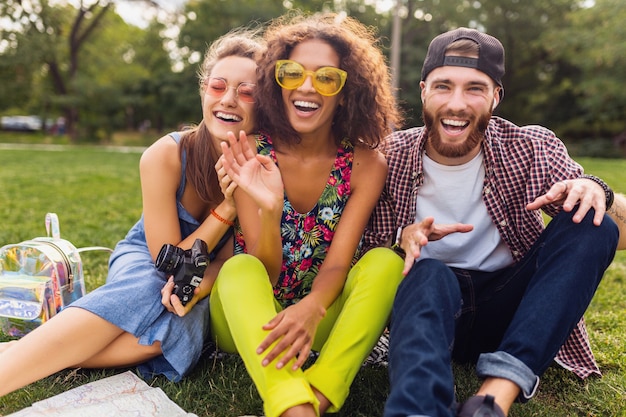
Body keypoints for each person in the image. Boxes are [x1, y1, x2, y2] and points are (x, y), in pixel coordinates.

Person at [362, 27, 626, 417]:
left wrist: (596, 191)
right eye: (443, 86)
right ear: (422, 90)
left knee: (595, 221)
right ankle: (418, 408)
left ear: (496, 96)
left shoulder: (528, 146)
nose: (456, 104)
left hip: (511, 310)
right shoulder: (387, 157)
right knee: (429, 273)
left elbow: (615, 234)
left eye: (474, 88)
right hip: (428, 307)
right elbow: (354, 261)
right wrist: (401, 242)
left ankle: (491, 400)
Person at [0, 29, 265, 397]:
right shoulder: (166, 154)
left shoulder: (266, 168)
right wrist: (226, 208)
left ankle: (28, 348)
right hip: (148, 258)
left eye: (247, 92)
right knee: (148, 287)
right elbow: (165, 261)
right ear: (203, 91)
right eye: (218, 86)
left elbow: (255, 261)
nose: (230, 100)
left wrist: (199, 286)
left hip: (210, 277)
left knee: (177, 330)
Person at [210, 12, 405, 417]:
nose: (307, 87)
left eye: (327, 78)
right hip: (249, 319)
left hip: (320, 318)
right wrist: (267, 206)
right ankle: (293, 407)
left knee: (385, 262)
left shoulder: (367, 164)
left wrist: (312, 307)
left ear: (347, 92)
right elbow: (265, 271)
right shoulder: (251, 152)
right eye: (292, 73)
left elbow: (338, 263)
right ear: (275, 82)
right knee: (238, 268)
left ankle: (322, 391)